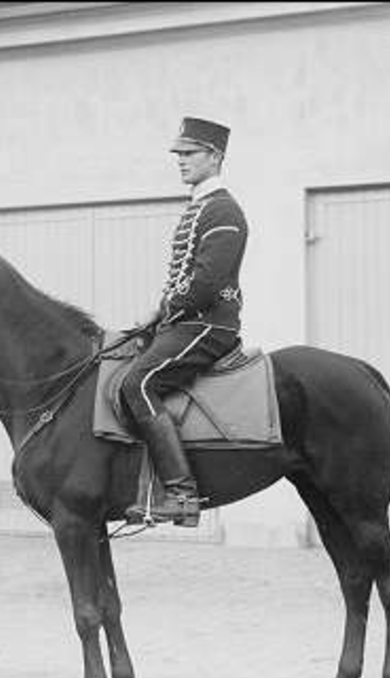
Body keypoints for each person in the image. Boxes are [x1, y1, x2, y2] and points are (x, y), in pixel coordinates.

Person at [120, 116, 248, 527]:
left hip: (209, 325)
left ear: (215, 156)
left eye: (190, 153)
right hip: (187, 323)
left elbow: (205, 285)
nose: (181, 160)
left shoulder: (223, 210)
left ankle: (181, 493)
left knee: (138, 383)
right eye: (179, 153)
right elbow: (184, 277)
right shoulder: (201, 207)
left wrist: (162, 313)